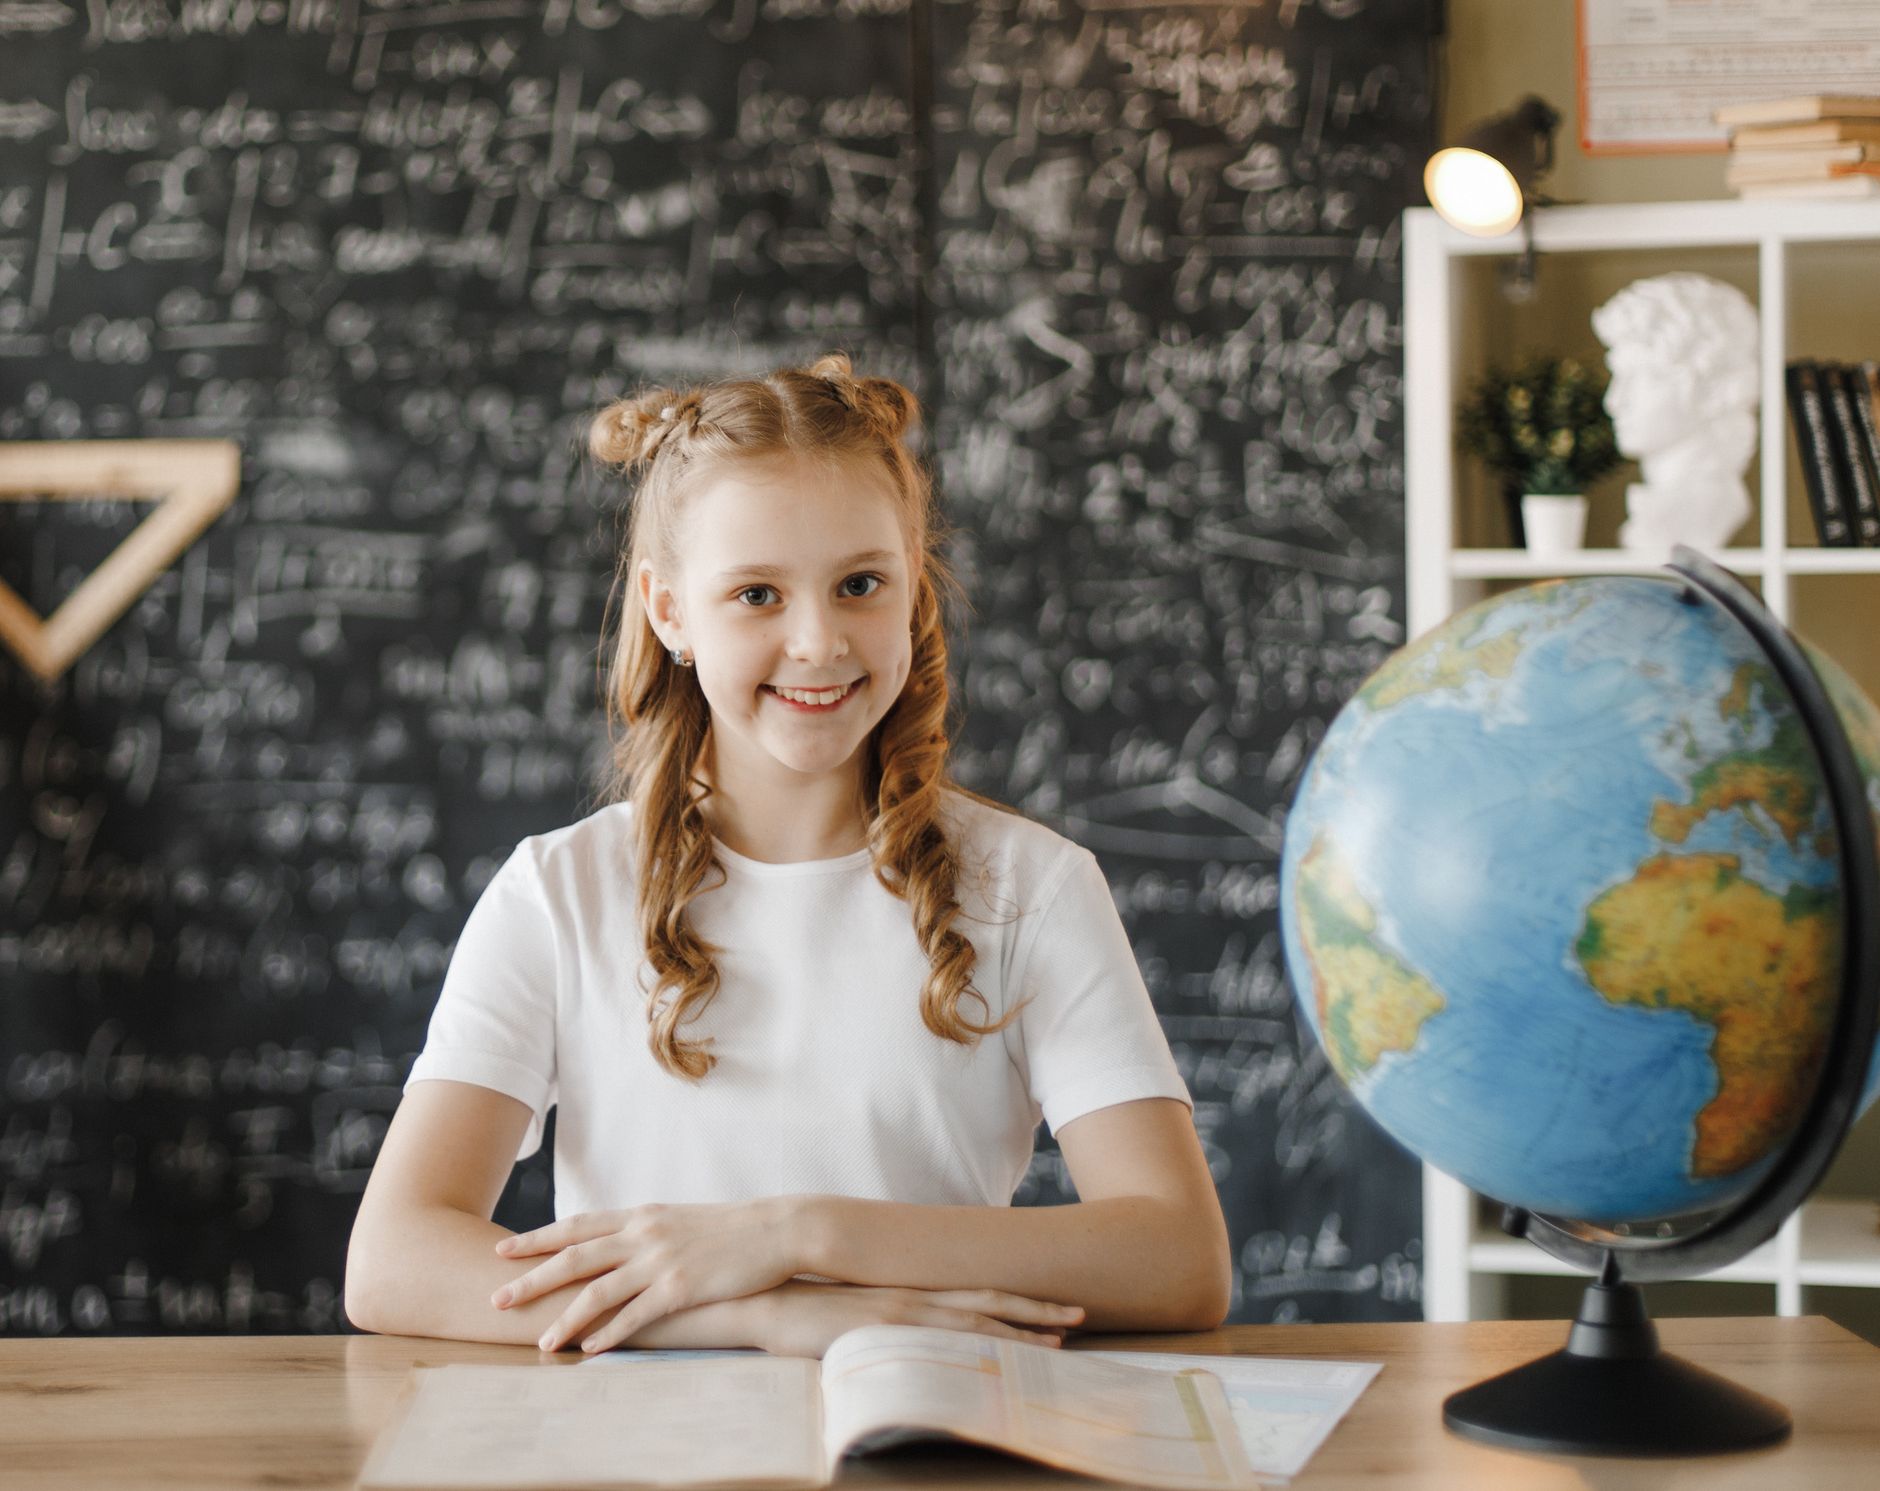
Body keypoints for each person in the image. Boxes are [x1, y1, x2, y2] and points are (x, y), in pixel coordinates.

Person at [343, 356, 1229, 1357]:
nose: (817, 642)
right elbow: (395, 1259)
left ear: (911, 591)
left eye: (859, 584)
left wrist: (798, 1234)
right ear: (669, 610)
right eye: (757, 594)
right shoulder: (557, 893)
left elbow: (1177, 1257)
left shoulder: (1033, 887)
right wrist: (768, 1315)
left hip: (927, 1442)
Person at [1593, 273, 1759, 555]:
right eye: (1618, 377)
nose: (1613, 401)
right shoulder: (1656, 508)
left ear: (1706, 387)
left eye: (1639, 377)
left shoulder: (1704, 508)